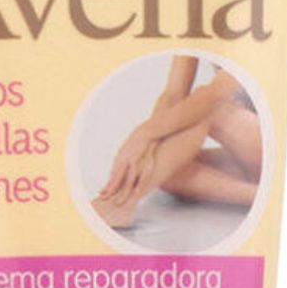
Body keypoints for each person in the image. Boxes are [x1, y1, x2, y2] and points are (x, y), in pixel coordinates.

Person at [92, 56, 262, 229]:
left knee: (209, 107)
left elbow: (212, 96)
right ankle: (259, 195)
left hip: (274, 152)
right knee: (167, 169)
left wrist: (143, 134)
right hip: (252, 156)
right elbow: (173, 96)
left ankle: (121, 205)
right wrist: (149, 150)